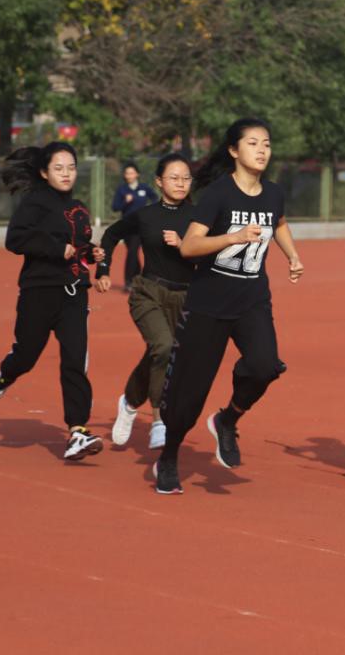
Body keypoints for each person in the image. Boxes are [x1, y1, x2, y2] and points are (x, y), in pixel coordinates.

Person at [151, 118, 304, 494]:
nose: (262, 150)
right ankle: (169, 455)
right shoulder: (219, 194)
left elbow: (279, 223)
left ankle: (227, 420)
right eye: (253, 143)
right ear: (234, 150)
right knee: (190, 392)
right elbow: (190, 247)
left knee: (265, 366)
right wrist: (232, 237)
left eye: (266, 143)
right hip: (209, 303)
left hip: (253, 300)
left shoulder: (273, 193)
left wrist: (292, 254)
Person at [0, 142, 104, 462]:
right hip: (39, 292)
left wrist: (91, 253)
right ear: (44, 172)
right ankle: (7, 374)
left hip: (74, 294)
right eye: (58, 168)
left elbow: (78, 247)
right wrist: (54, 248)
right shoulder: (34, 202)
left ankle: (77, 430)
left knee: (75, 360)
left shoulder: (79, 207)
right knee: (27, 355)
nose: (66, 174)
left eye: (71, 167)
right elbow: (15, 239)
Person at [95, 153, 195, 450]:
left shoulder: (199, 217)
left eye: (186, 178)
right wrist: (102, 270)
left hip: (185, 297)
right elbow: (111, 235)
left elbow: (213, 253)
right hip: (148, 292)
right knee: (163, 347)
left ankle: (128, 401)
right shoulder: (146, 215)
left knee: (161, 354)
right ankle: (159, 419)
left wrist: (185, 245)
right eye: (174, 178)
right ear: (159, 182)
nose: (181, 183)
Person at [111, 162, 156, 290]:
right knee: (133, 253)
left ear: (137, 174)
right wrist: (125, 202)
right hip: (126, 226)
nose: (129, 175)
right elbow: (115, 207)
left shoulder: (144, 188)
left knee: (132, 251)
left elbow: (154, 198)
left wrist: (150, 209)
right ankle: (140, 278)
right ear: (125, 175)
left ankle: (129, 281)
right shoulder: (122, 189)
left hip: (140, 226)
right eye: (127, 173)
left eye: (132, 173)